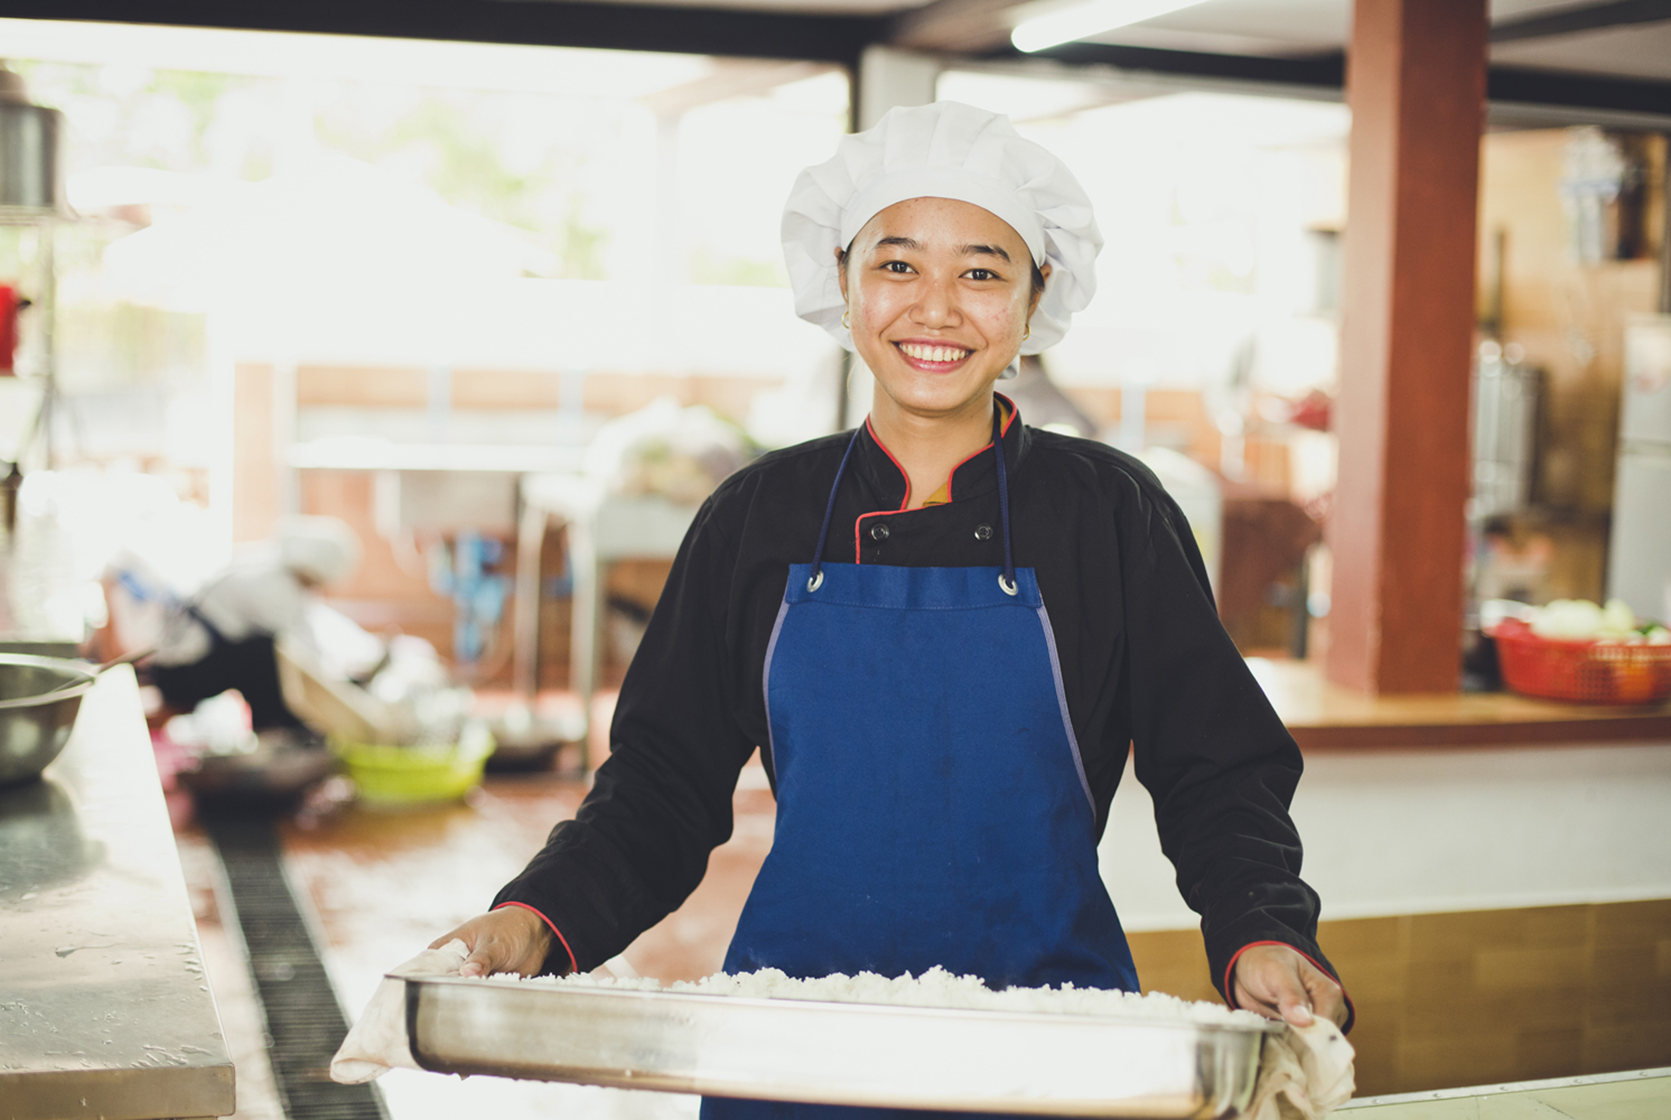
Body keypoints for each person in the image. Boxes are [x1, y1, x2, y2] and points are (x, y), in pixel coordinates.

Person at [436, 102, 1351, 1116]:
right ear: (842, 277)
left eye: (983, 270)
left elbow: (1216, 770)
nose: (938, 308)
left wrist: (1262, 927)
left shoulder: (1111, 514)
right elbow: (662, 783)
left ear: (1037, 297)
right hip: (791, 1044)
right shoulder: (757, 515)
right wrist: (533, 915)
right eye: (900, 264)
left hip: (1048, 1045)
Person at [98, 515, 362, 734]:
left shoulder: (264, 561)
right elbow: (300, 653)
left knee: (267, 654)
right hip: (180, 675)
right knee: (266, 655)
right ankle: (278, 735)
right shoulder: (274, 586)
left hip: (172, 666)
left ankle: (280, 732)